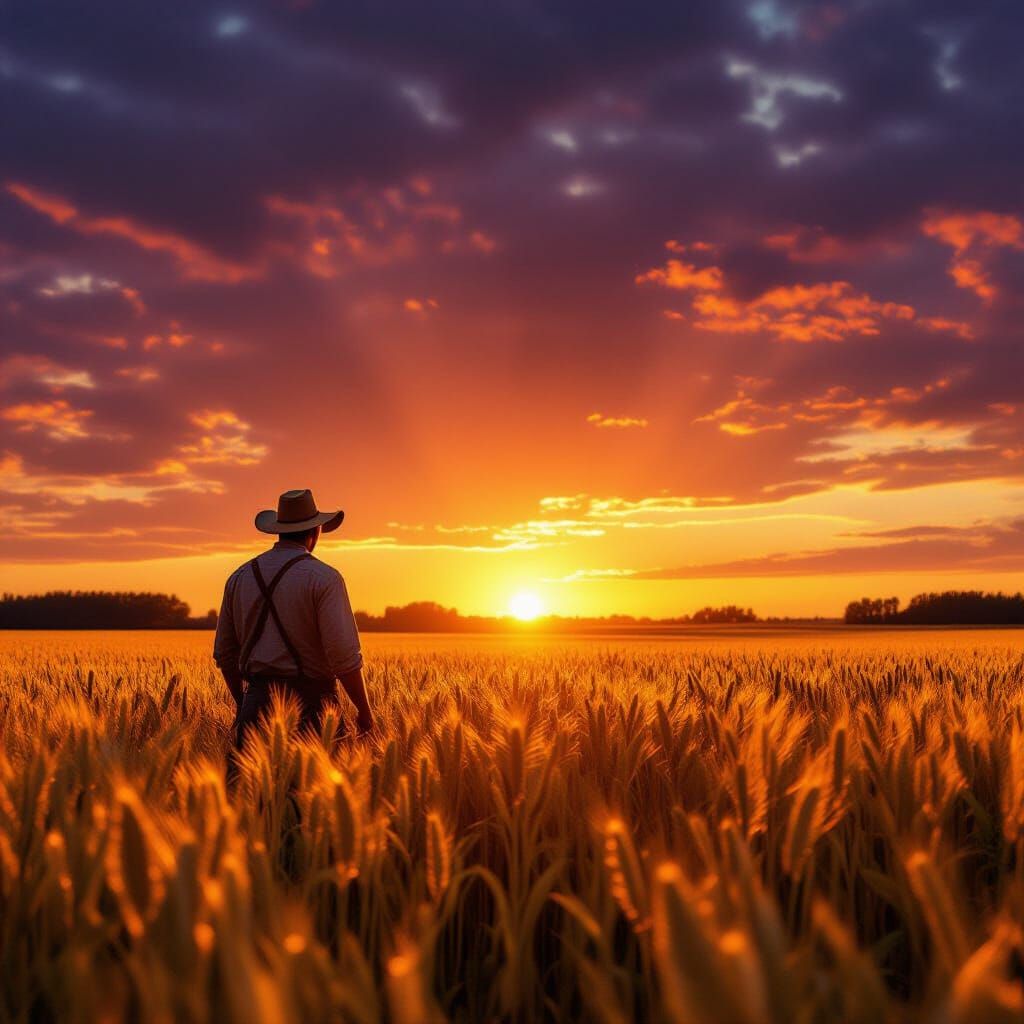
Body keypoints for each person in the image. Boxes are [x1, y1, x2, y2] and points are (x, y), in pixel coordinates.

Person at [214, 488, 373, 781]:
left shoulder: (238, 577)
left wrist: (245, 702)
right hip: (313, 709)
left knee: (257, 808)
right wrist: (364, 710)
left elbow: (225, 653)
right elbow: (343, 656)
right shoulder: (324, 578)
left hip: (255, 705)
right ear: (315, 531)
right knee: (313, 807)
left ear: (279, 531)